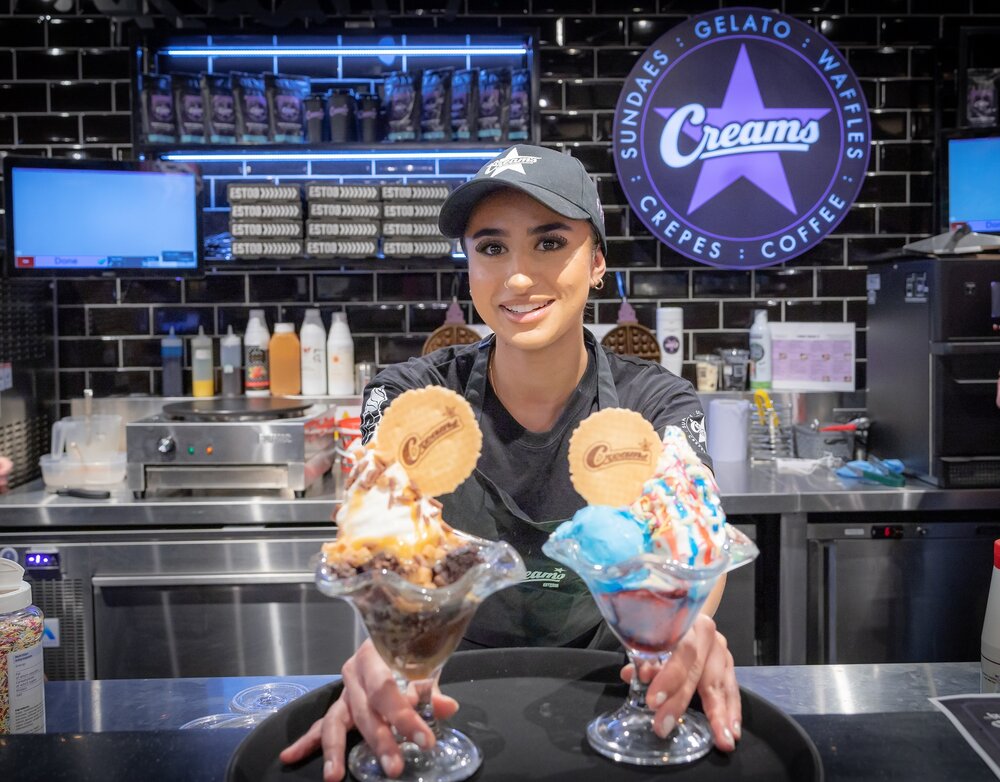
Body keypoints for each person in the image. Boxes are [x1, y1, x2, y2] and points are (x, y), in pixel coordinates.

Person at [281, 145, 742, 781]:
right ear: (469, 268)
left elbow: (697, 528)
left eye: (551, 243)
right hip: (446, 699)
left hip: (619, 690)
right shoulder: (410, 398)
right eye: (492, 248)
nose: (518, 277)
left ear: (599, 262)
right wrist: (390, 656)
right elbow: (375, 537)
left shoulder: (654, 401)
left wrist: (687, 627)